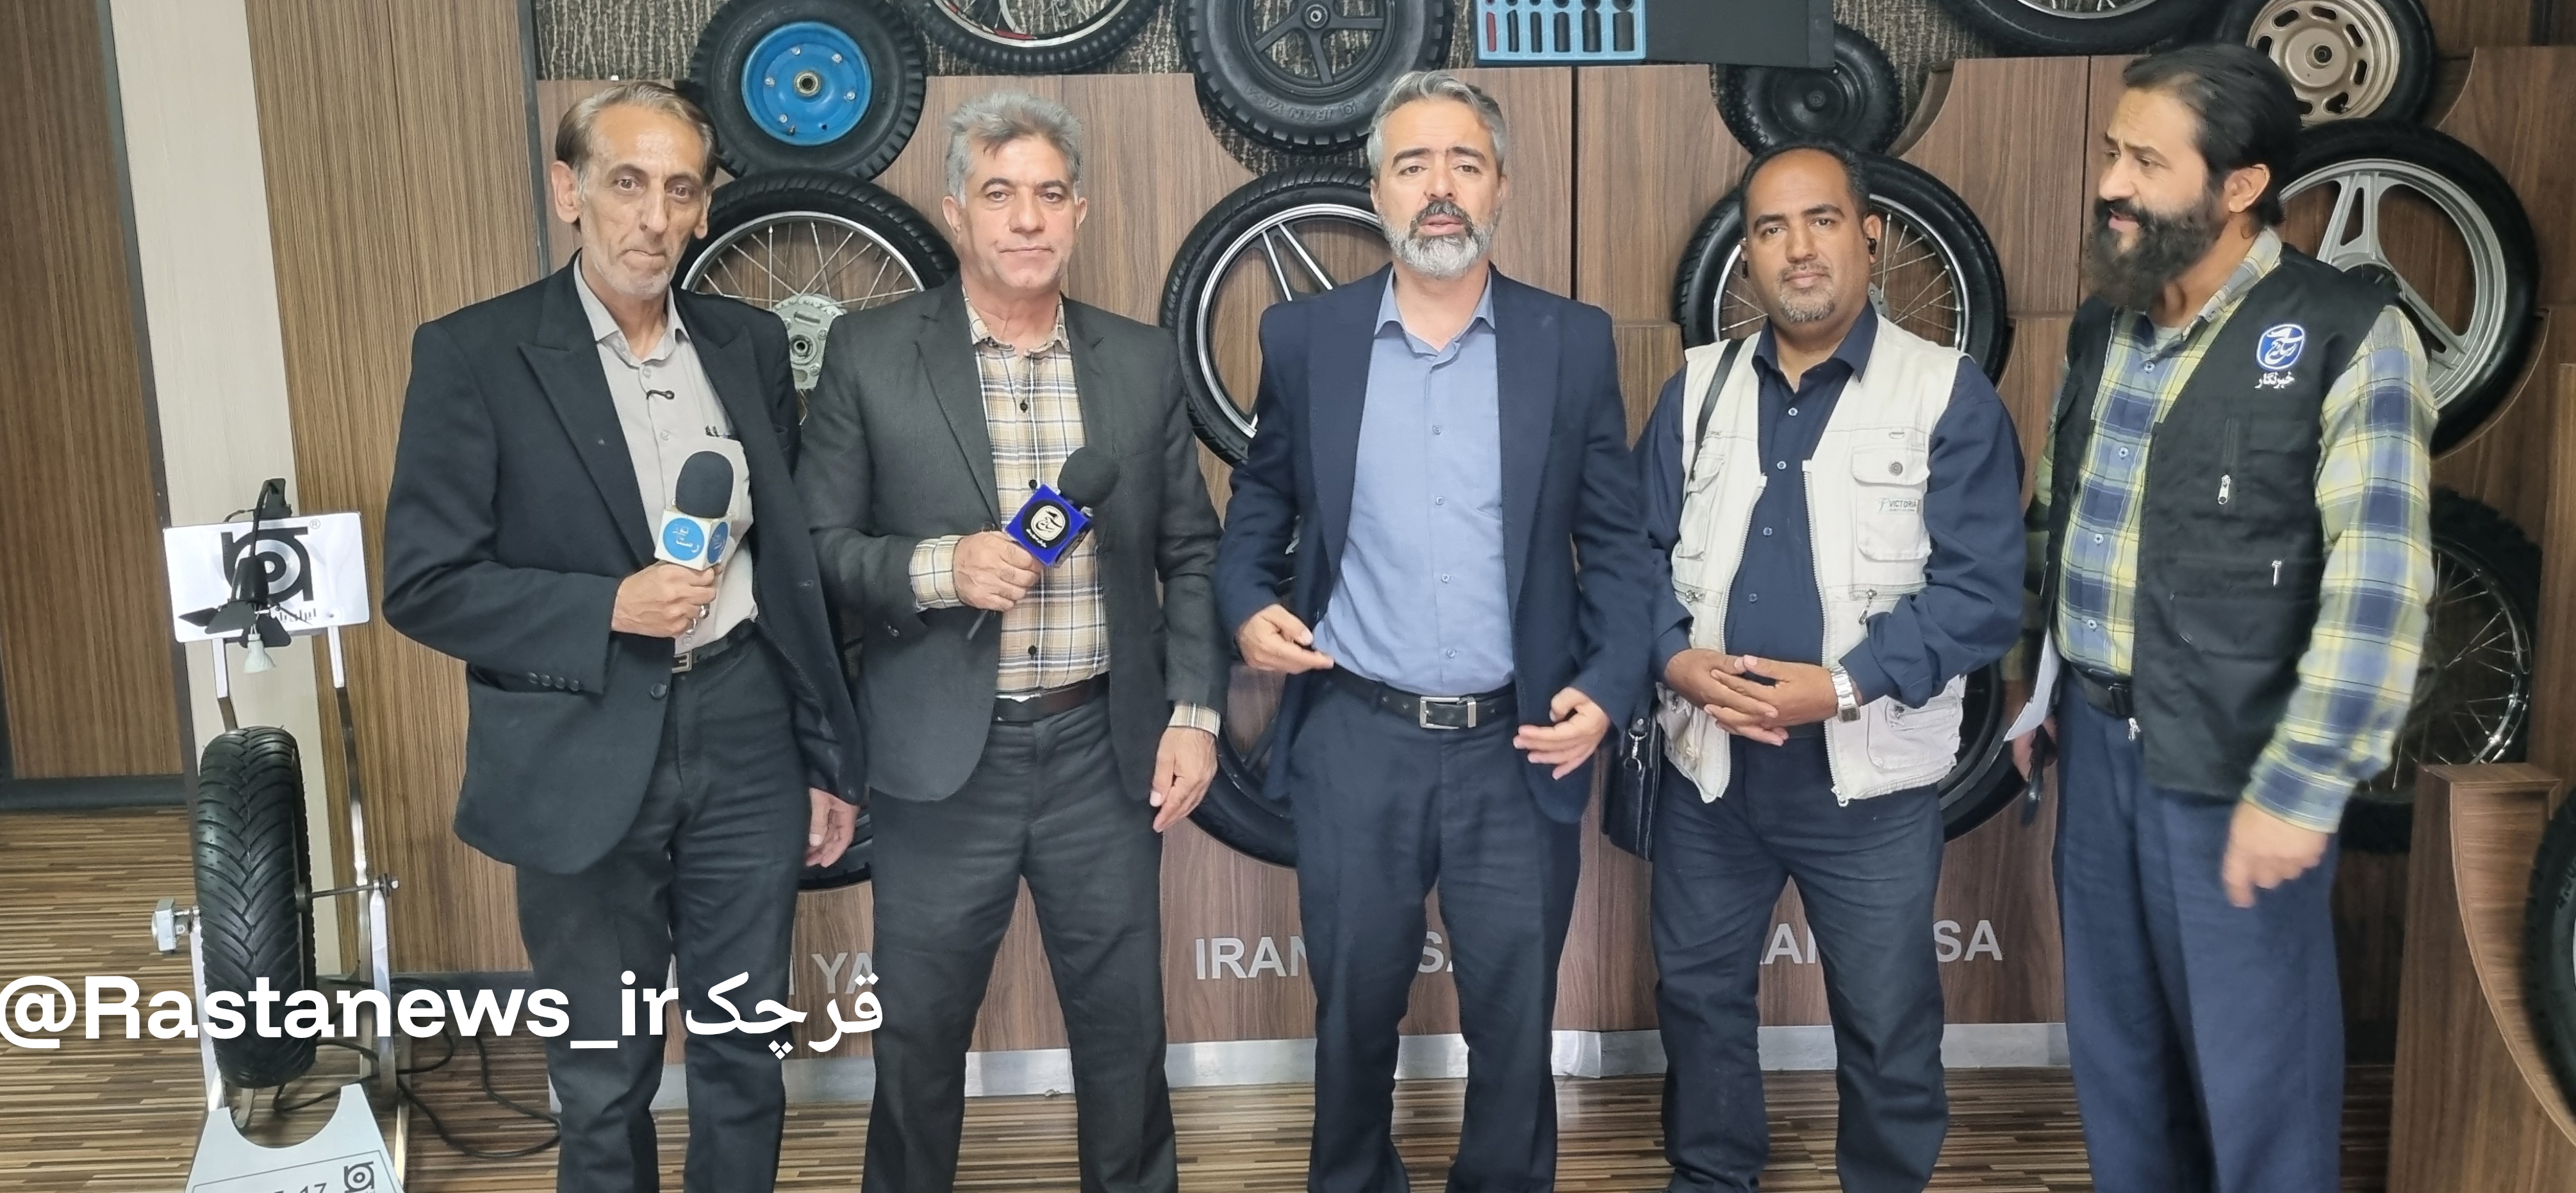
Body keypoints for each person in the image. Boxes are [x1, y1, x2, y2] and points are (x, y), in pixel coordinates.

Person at [383, 81, 863, 1193]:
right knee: (602, 1075)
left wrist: (825, 754)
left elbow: (789, 569)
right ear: (570, 191)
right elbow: (425, 584)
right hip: (580, 739)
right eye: (628, 183)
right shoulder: (475, 353)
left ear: (704, 208)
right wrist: (607, 605)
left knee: (745, 1053)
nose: (654, 217)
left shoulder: (745, 344)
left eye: (680, 190)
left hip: (746, 729)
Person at [1215, 69, 1649, 1193]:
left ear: (1501, 184)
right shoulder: (1307, 338)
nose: (1440, 186)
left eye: (1464, 162)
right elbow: (1260, 503)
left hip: (1522, 741)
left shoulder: (1571, 341)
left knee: (1515, 1019)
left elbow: (1618, 541)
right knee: (1354, 1011)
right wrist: (1245, 602)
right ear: (1378, 192)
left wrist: (1609, 686)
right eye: (1413, 164)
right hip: (1358, 739)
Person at [2020, 44, 2434, 1193]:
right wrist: (2036, 688)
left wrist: (2302, 787)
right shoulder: (2106, 323)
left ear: (2241, 184)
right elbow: (2063, 511)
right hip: (2095, 746)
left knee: (2257, 1081)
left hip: (2240, 766)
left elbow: (2379, 587)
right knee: (2122, 1061)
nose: (2112, 183)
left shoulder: (2349, 334)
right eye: (2112, 151)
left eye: (2147, 162)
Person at [798, 90, 1225, 1193]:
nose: (1027, 218)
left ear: (1080, 211)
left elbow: (1194, 550)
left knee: (1125, 1037)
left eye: (1049, 193)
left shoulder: (1141, 361)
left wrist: (1194, 711)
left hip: (1103, 754)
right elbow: (818, 550)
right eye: (999, 193)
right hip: (945, 760)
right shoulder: (869, 353)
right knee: (919, 1039)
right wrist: (940, 568)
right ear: (956, 211)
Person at [1635, 141, 2023, 1192]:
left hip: (1868, 784)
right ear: (1749, 255)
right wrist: (1674, 659)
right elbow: (1632, 556)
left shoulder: (1946, 393)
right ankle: (1711, 1177)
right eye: (1771, 229)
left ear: (1870, 235)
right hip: (1712, 775)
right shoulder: (1698, 388)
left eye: (1821, 220)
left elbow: (1983, 593)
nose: (1798, 248)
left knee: (1888, 1017)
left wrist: (1841, 685)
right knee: (1698, 1001)